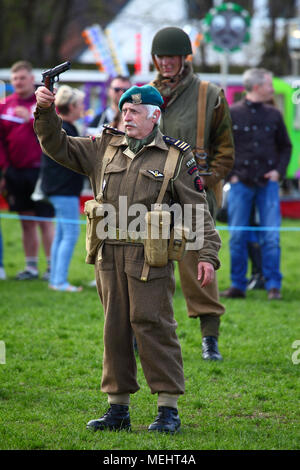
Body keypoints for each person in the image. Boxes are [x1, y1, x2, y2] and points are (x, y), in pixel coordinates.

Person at [34, 83, 221, 433]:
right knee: (114, 329)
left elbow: (198, 210)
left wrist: (207, 255)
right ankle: (117, 409)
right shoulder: (104, 146)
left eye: (135, 112)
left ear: (155, 116)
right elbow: (56, 145)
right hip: (108, 257)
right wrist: (45, 112)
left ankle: (168, 409)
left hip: (151, 258)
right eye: (124, 111)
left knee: (154, 325)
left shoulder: (175, 157)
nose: (127, 116)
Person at [150, 27, 234, 360]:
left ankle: (209, 338)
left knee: (199, 264)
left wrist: (205, 179)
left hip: (194, 195)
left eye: (172, 56)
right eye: (161, 57)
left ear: (184, 58)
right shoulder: (144, 95)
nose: (166, 62)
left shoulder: (209, 94)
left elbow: (225, 149)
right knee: (148, 265)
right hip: (152, 194)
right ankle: (145, 334)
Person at [220, 68, 292, 301]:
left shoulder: (274, 114)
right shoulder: (233, 113)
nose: (272, 88)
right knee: (237, 235)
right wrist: (230, 175)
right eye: (270, 84)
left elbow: (286, 147)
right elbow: (222, 147)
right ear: (258, 86)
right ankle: (238, 285)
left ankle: (273, 286)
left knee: (271, 236)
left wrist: (278, 173)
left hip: (267, 185)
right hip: (240, 183)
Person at [0, 60, 54, 280]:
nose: (18, 82)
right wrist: (4, 170)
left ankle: (52, 267)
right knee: (26, 221)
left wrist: (29, 121)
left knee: (45, 220)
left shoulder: (42, 104)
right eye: (15, 79)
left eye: (22, 78)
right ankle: (31, 267)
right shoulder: (4, 107)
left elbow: (53, 135)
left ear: (32, 79)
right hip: (16, 172)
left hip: (41, 170)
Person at [40, 85, 85, 292]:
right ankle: (59, 281)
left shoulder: (62, 127)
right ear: (72, 106)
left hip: (57, 189)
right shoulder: (68, 129)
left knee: (61, 234)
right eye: (80, 104)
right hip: (63, 190)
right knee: (70, 234)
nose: (82, 108)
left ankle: (55, 280)